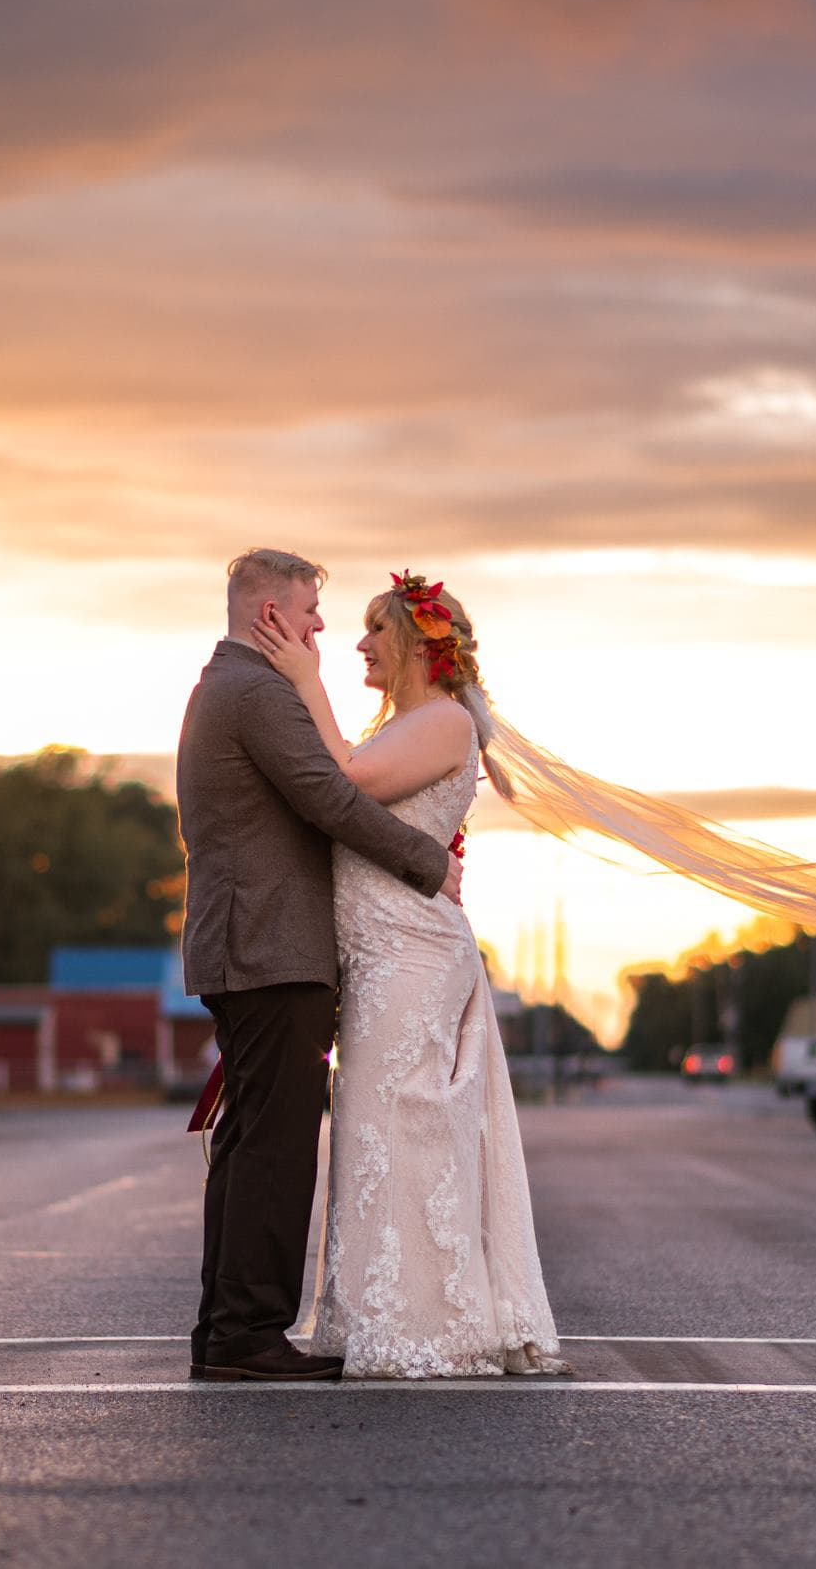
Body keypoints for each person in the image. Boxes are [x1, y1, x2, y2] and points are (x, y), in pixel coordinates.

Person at [251, 570, 570, 1379]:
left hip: (413, 950)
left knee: (402, 1122)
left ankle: (431, 1321)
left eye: (373, 630)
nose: (356, 644)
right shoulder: (407, 721)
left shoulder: (445, 723)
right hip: (376, 950)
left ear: (419, 644)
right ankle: (376, 1313)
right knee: (370, 1125)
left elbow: (349, 781)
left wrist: (304, 680)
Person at [177, 549, 462, 1383]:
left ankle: (227, 1328)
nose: (320, 626)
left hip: (254, 945)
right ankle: (246, 1335)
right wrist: (428, 860)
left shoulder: (227, 685)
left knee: (250, 1138)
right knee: (273, 1145)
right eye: (308, 609)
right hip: (269, 948)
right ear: (268, 613)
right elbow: (330, 798)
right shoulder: (257, 693)